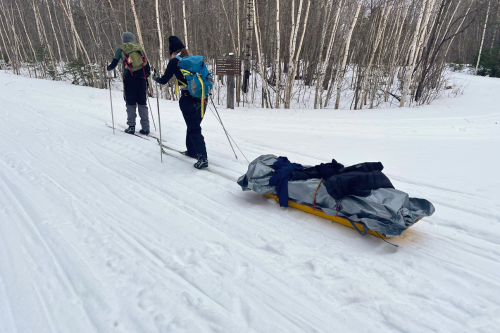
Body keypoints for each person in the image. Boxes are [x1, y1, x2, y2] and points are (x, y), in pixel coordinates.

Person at [153, 36, 210, 169]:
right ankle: (191, 151)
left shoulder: (175, 62)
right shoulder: (196, 60)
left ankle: (203, 158)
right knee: (193, 125)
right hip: (203, 98)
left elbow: (163, 80)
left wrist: (155, 78)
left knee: (194, 128)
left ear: (172, 52)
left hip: (187, 99)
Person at [107, 32, 151, 135]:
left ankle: (131, 127)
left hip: (129, 79)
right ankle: (146, 128)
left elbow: (113, 64)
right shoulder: (139, 48)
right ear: (133, 39)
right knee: (142, 103)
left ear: (123, 40)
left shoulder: (121, 49)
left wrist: (107, 68)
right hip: (141, 78)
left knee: (130, 103)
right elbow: (146, 63)